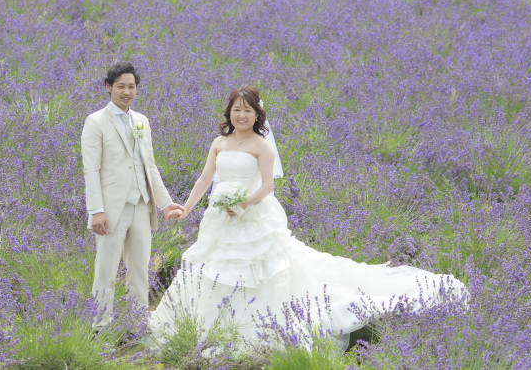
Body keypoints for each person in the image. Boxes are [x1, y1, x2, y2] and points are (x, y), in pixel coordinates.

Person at [152, 85, 468, 350]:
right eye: (236, 109)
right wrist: (187, 207)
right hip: (221, 217)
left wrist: (244, 205)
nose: (241, 115)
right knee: (214, 269)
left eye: (248, 110)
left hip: (251, 216)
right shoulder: (219, 143)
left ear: (256, 115)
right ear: (228, 112)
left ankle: (258, 327)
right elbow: (206, 179)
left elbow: (268, 185)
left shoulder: (261, 146)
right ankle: (213, 325)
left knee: (263, 271)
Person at [81, 62, 184, 330]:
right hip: (111, 208)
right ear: (108, 87)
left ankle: (136, 324)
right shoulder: (95, 121)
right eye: (120, 86)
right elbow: (90, 170)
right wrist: (96, 210)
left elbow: (149, 166)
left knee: (140, 269)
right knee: (106, 269)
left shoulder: (142, 121)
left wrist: (164, 203)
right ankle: (99, 326)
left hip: (142, 205)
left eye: (131, 87)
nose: (127, 92)